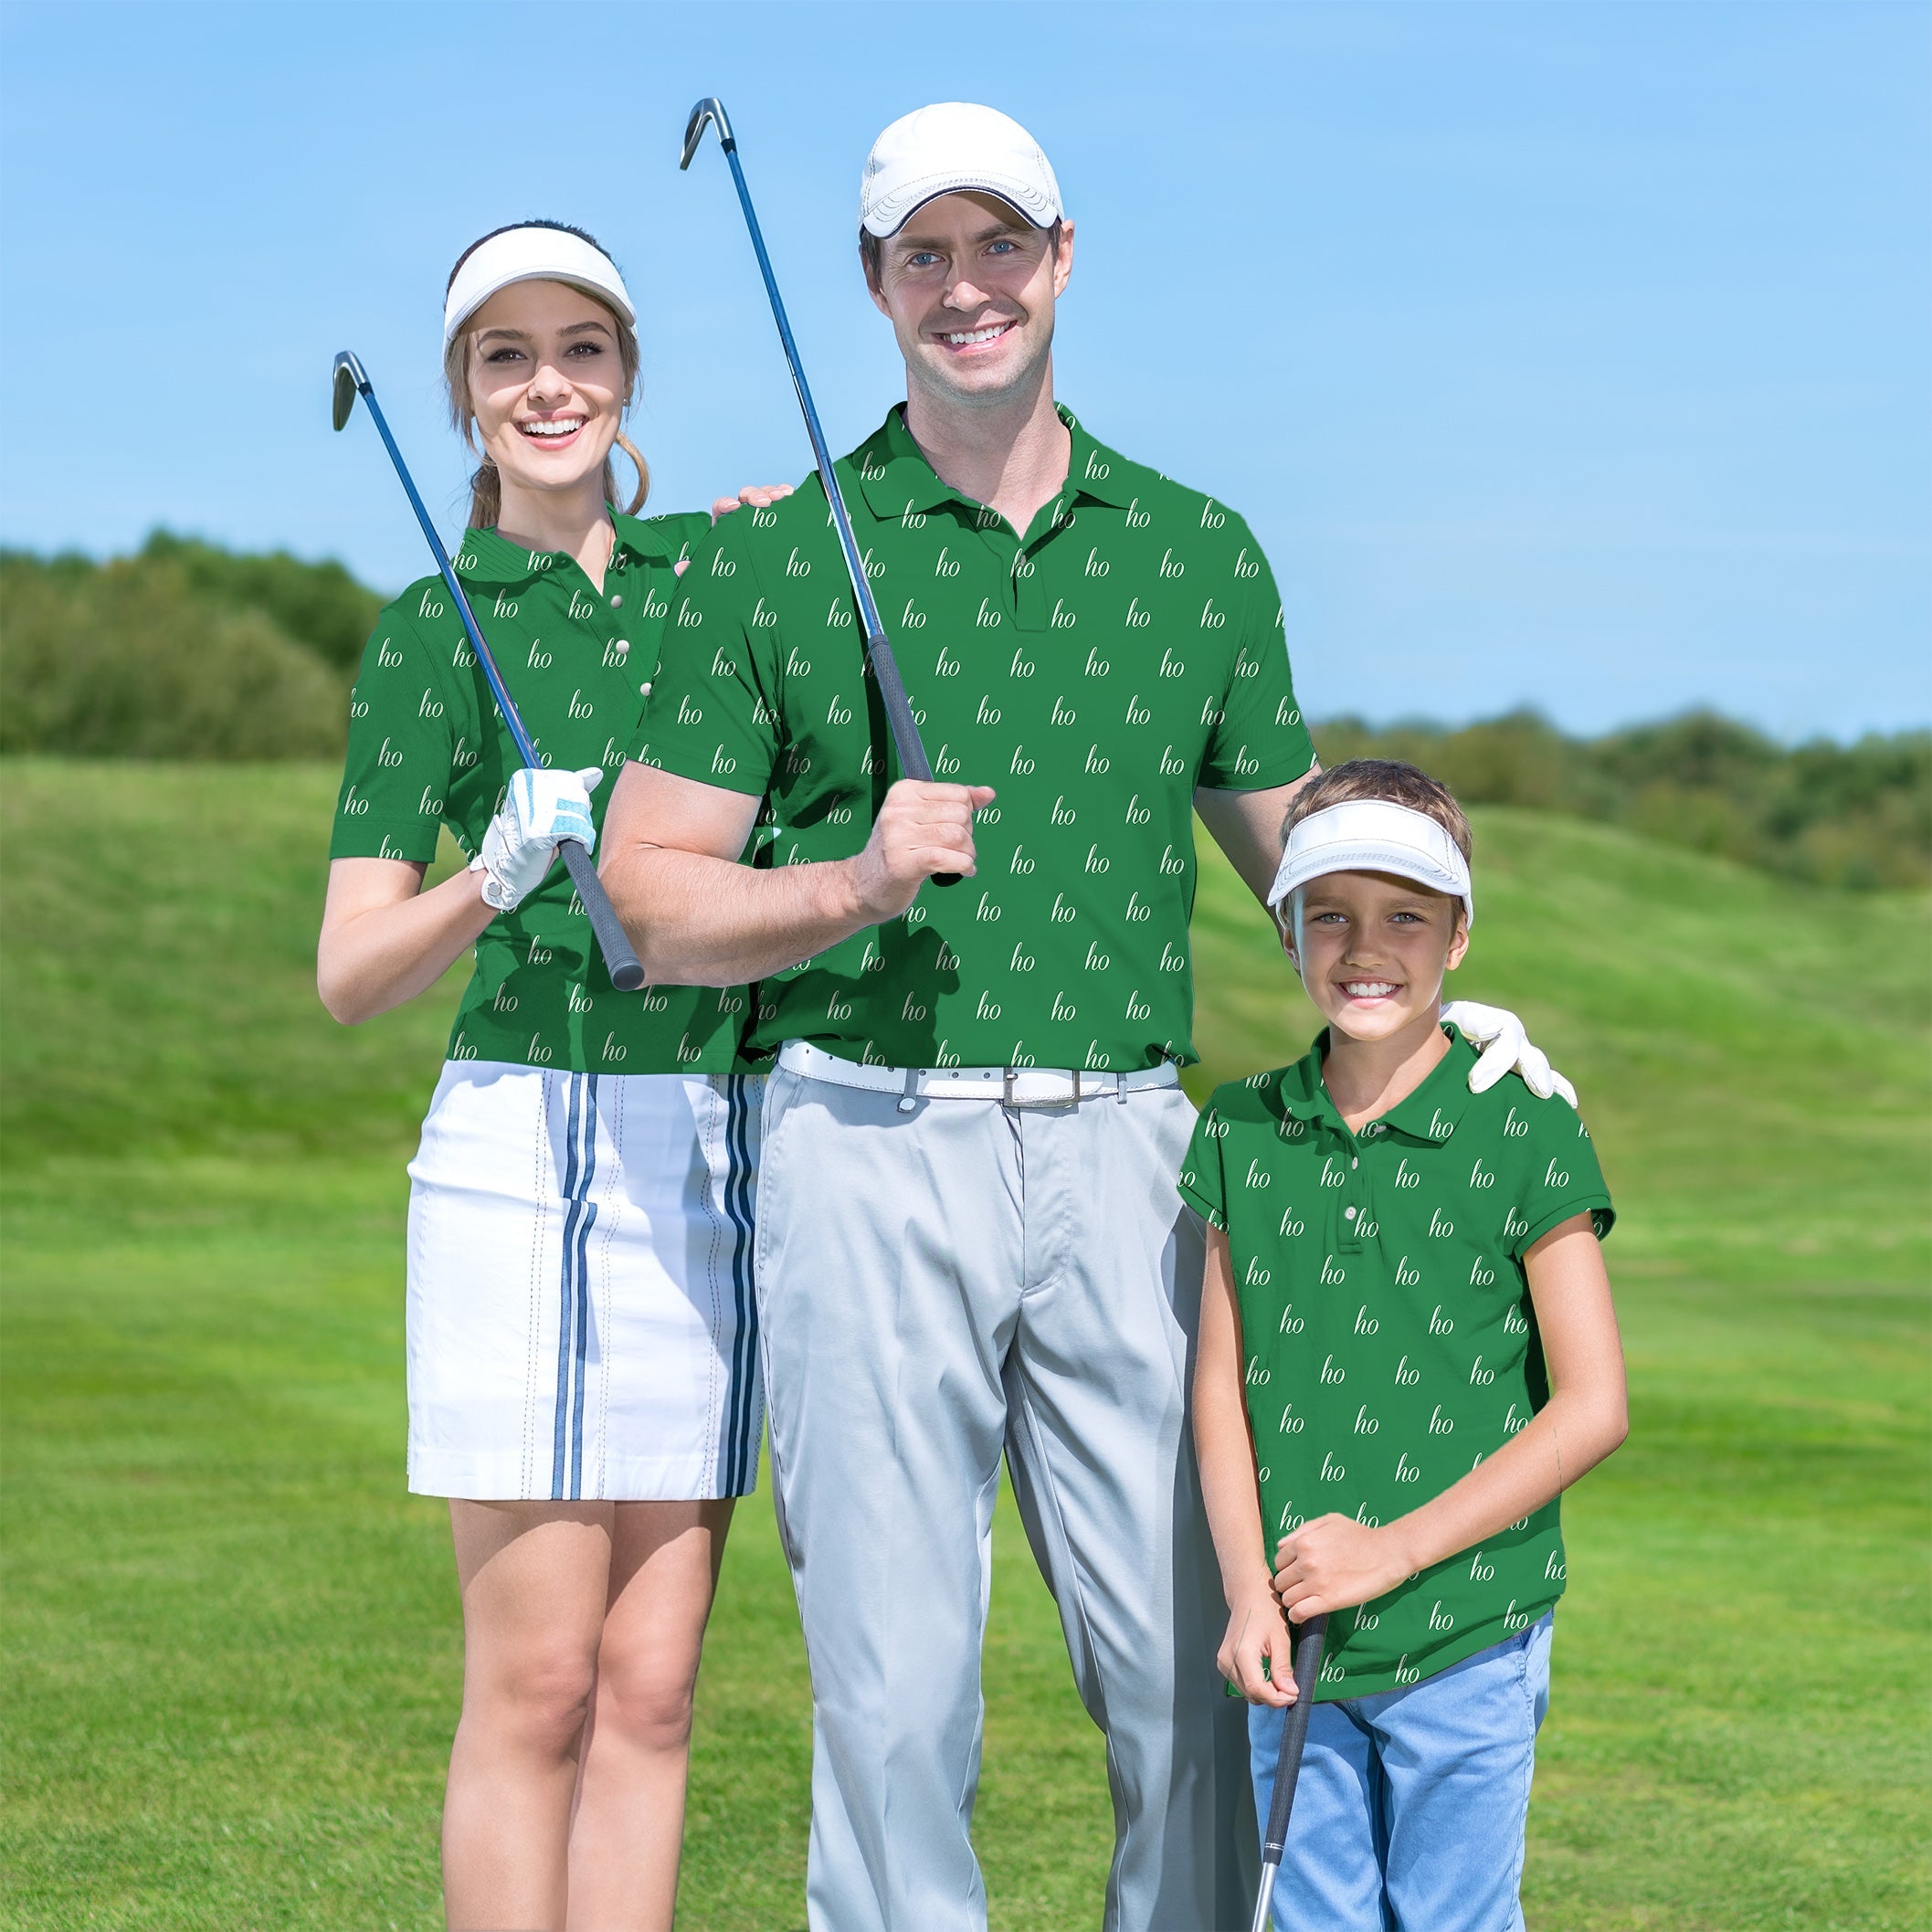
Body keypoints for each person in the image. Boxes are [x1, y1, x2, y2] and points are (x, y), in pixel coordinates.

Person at [598, 106, 1564, 1931]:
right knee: (894, 1698)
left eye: (999, 246)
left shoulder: (1197, 554)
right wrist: (842, 888)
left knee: (1200, 1669)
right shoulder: (776, 553)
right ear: (874, 285)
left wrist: (1450, 991)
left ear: (1061, 257)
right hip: (860, 1138)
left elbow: (1305, 862)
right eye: (923, 255)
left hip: (1134, 1157)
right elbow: (646, 891)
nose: (967, 288)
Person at [316, 220, 788, 1932]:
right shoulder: (426, 631)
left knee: (654, 1687)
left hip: (701, 1150)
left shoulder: (720, 589)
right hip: (519, 1145)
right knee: (538, 1687)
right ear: (462, 395)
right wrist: (487, 878)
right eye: (506, 356)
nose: (548, 385)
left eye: (579, 349)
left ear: (627, 375)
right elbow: (351, 972)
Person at [1182, 759, 1629, 1931]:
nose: (1363, 946)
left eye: (1404, 917)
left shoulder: (1526, 1126)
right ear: (1285, 929)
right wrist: (1244, 1593)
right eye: (1328, 913)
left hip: (1469, 1626)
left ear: (1458, 937)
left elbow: (1593, 1406)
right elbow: (1218, 1390)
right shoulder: (1241, 1127)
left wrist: (1394, 1551)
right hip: (1294, 1632)